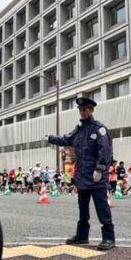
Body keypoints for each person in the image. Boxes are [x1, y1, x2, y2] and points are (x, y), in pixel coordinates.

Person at [46, 97, 115, 250]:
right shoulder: (79, 129)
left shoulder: (99, 129)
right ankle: (82, 236)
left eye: (85, 109)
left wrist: (100, 169)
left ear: (91, 110)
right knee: (83, 209)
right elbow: (66, 139)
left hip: (96, 178)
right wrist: (51, 138)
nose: (83, 112)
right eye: (81, 110)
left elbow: (105, 151)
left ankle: (109, 238)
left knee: (102, 208)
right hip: (82, 176)